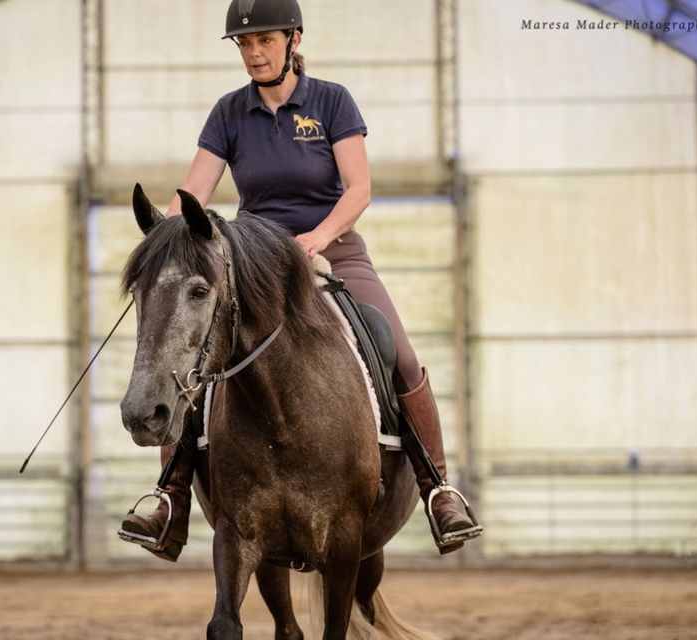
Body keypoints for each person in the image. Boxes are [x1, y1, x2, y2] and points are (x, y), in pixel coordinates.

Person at [119, 0, 482, 560]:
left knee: (398, 351)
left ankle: (438, 489)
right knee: (196, 358)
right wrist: (161, 242)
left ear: (292, 40)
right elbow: (193, 193)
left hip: (332, 251)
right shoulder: (228, 113)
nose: (254, 53)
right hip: (254, 262)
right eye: (244, 44)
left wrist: (315, 238)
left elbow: (358, 189)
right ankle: (169, 499)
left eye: (264, 41)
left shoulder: (332, 101)